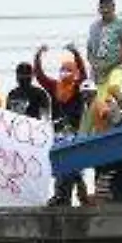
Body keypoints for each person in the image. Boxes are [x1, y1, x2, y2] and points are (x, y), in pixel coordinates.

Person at [35, 45, 89, 206]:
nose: (65, 73)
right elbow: (40, 76)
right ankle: (61, 197)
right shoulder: (54, 87)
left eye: (69, 70)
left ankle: (82, 198)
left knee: (76, 168)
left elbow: (84, 73)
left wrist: (76, 54)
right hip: (58, 132)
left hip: (75, 133)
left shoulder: (78, 86)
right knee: (60, 165)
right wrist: (38, 56)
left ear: (74, 72)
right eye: (63, 70)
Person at [84, 0, 122, 133]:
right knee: (99, 104)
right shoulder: (94, 27)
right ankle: (108, 128)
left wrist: (110, 64)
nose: (105, 12)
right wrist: (94, 64)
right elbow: (89, 50)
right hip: (99, 72)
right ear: (99, 9)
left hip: (118, 66)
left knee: (114, 88)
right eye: (102, 9)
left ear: (113, 8)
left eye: (108, 9)